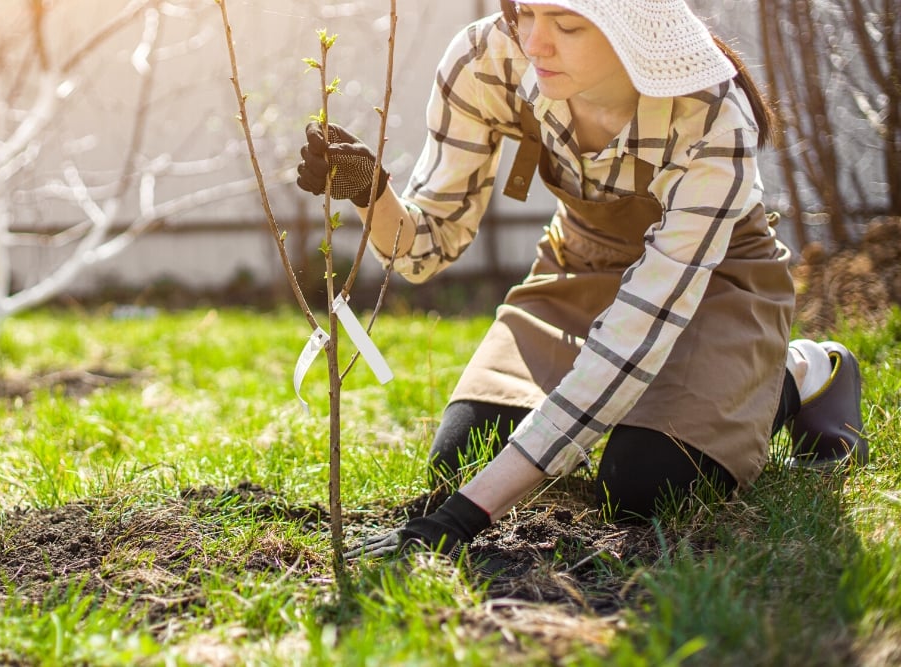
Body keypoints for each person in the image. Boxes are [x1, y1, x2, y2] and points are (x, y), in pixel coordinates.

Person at [295, 0, 869, 558]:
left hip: (708, 285)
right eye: (526, 12)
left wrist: (466, 514)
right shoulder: (487, 58)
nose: (533, 41)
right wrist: (372, 192)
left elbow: (634, 336)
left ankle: (802, 371)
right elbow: (422, 251)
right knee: (463, 457)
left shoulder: (711, 116)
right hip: (579, 264)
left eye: (567, 24)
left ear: (633, 28)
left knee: (644, 485)